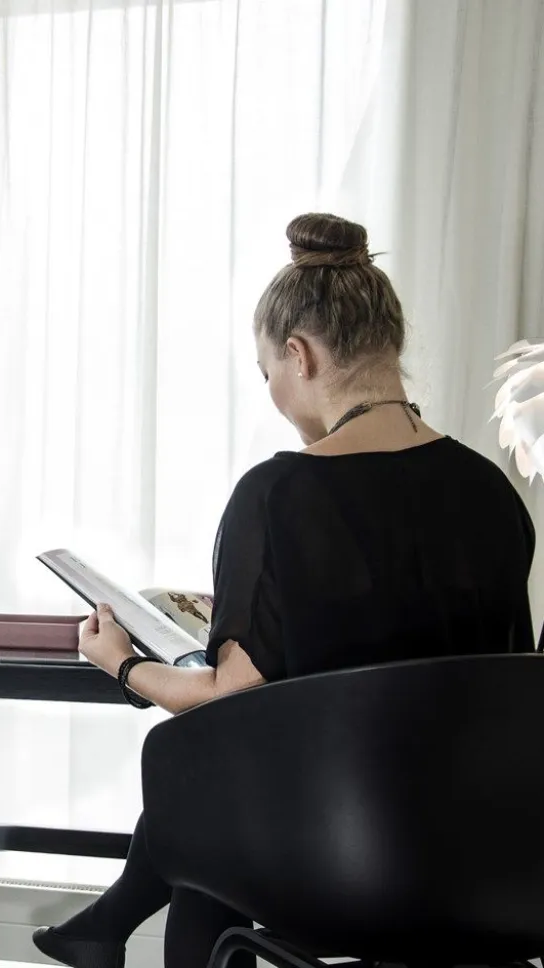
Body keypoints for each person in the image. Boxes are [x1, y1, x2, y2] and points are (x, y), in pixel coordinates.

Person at [33, 212, 538, 968]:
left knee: (201, 776)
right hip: (492, 865)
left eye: (267, 371)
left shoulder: (277, 497)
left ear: (298, 356)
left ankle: (105, 929)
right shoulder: (491, 491)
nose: (272, 389)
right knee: (217, 791)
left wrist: (123, 664)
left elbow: (230, 694)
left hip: (342, 866)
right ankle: (101, 929)